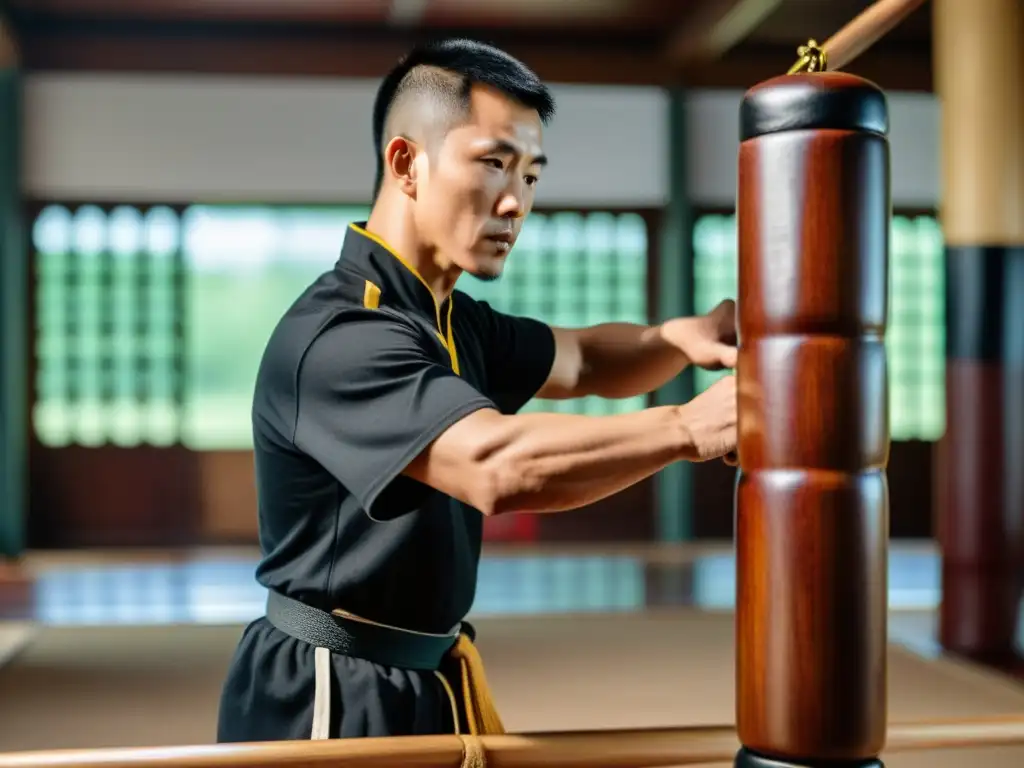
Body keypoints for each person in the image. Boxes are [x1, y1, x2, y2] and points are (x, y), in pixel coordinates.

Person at [216, 37, 739, 744]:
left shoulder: (450, 320)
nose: (515, 201)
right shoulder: (342, 336)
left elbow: (582, 360)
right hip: (331, 686)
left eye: (530, 175)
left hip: (428, 672)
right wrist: (691, 428)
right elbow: (497, 467)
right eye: (493, 163)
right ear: (406, 163)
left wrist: (685, 338)